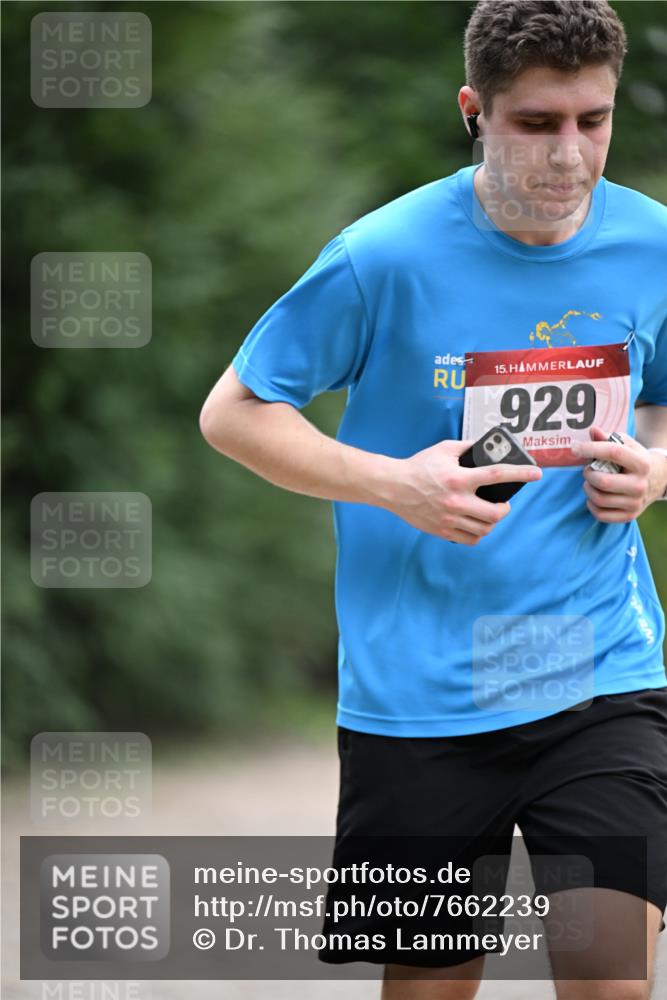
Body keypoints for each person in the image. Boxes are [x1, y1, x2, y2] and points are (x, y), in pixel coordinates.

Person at [199, 1, 667, 996]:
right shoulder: (383, 255)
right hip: (419, 695)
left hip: (599, 671)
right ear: (474, 110)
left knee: (607, 971)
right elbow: (235, 414)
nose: (572, 154)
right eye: (537, 124)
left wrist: (656, 463)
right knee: (430, 985)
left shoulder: (653, 244)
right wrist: (396, 484)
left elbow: (663, 403)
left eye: (594, 119)